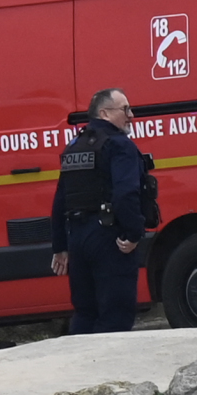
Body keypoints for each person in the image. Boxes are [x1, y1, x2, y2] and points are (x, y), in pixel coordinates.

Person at [48, 88, 150, 333]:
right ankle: (109, 371)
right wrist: (134, 233)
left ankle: (81, 369)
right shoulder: (119, 145)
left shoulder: (75, 146)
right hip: (109, 238)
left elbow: (61, 198)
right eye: (124, 109)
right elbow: (126, 194)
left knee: (85, 313)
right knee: (115, 315)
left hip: (78, 239)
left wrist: (61, 246)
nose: (131, 115)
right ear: (104, 113)